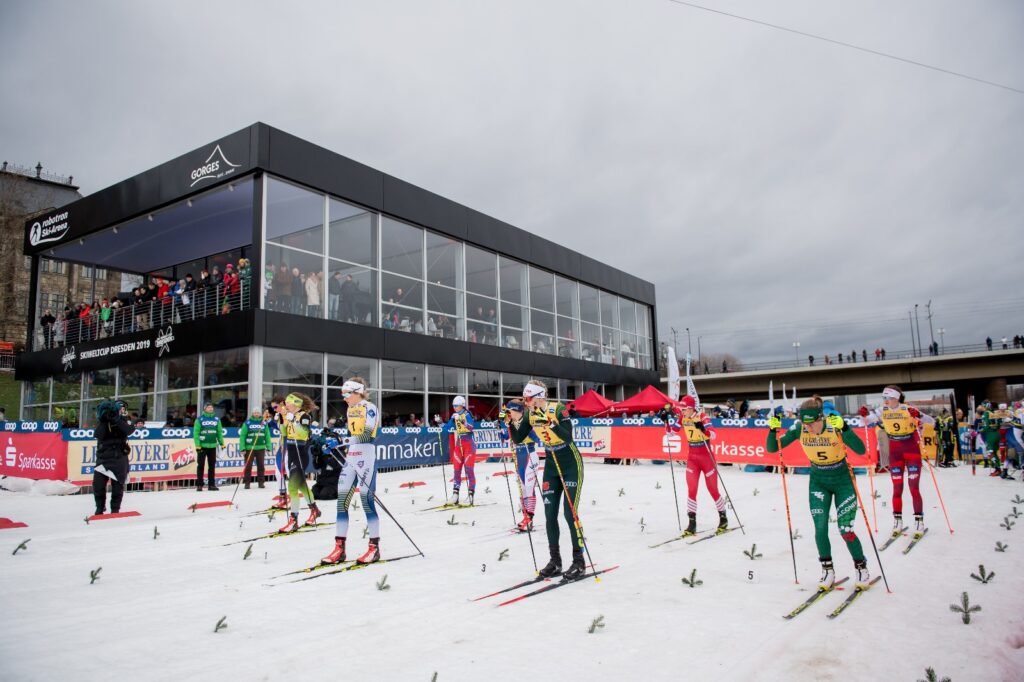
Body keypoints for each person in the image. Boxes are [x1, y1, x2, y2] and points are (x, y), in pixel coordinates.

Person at [767, 396, 871, 590]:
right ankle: (827, 570)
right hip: (818, 481)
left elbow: (860, 449)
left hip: (843, 481)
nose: (807, 428)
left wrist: (845, 428)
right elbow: (773, 448)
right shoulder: (799, 428)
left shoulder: (833, 425)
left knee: (845, 530)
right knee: (820, 528)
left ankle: (861, 567)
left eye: (811, 424)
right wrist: (772, 430)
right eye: (804, 424)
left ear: (820, 418)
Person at [509, 380, 587, 580]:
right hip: (551, 462)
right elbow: (518, 438)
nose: (526, 402)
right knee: (550, 514)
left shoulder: (558, 409)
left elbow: (568, 437)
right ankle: (555, 561)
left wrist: (551, 422)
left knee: (570, 514)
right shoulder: (529, 414)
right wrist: (509, 421)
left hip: (570, 462)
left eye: (528, 398)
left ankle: (579, 561)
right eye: (525, 399)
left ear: (540, 397)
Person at [859, 385, 935, 539]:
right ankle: (897, 521)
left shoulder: (907, 409)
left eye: (888, 398)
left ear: (897, 398)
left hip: (911, 449)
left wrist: (918, 416)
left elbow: (931, 422)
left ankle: (919, 521)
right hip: (895, 452)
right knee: (897, 489)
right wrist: (863, 415)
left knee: (914, 488)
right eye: (884, 398)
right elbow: (863, 422)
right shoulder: (882, 411)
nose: (885, 401)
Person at [322, 378, 382, 565]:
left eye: (347, 394)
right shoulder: (350, 410)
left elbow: (367, 435)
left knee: (366, 500)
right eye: (343, 395)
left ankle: (374, 548)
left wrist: (341, 442)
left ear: (357, 392)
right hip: (352, 457)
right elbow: (352, 435)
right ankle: (339, 549)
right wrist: (337, 443)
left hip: (366, 456)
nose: (345, 398)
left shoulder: (369, 407)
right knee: (341, 503)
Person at [665, 396, 727, 536]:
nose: (683, 411)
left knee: (713, 490)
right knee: (691, 489)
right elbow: (670, 434)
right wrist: (666, 421)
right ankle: (692, 523)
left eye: (685, 408)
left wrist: (703, 429)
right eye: (682, 408)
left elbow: (714, 435)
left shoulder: (702, 416)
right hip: (692, 458)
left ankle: (723, 518)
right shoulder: (682, 417)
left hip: (706, 458)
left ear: (692, 407)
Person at [277, 393, 322, 533]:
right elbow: (284, 433)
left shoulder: (304, 416)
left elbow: (303, 433)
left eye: (288, 403)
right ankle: (315, 510)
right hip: (291, 452)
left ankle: (293, 520)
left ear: (295, 404)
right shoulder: (291, 415)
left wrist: (293, 422)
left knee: (292, 487)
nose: (286, 405)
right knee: (302, 486)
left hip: (300, 453)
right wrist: (284, 419)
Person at [499, 399, 540, 532]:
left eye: (510, 411)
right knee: (522, 488)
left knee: (529, 487)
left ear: (516, 411)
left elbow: (537, 438)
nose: (509, 413)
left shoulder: (527, 421)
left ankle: (530, 517)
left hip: (529, 454)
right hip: (519, 456)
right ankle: (525, 516)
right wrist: (501, 429)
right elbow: (505, 436)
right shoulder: (512, 422)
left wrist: (530, 433)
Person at [92, 399, 134, 515]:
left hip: (119, 459)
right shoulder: (104, 421)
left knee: (117, 488)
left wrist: (117, 420)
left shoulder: (126, 421)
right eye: (118, 408)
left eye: (123, 408)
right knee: (98, 485)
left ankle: (115, 510)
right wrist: (106, 420)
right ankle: (100, 508)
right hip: (103, 459)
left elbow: (129, 430)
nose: (121, 410)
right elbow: (98, 434)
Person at [444, 396, 477, 505]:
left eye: (456, 406)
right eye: (453, 406)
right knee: (456, 470)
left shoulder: (467, 414)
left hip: (468, 444)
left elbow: (472, 427)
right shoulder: (454, 415)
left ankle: (471, 495)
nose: (454, 408)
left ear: (462, 405)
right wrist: (440, 422)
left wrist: (463, 421)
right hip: (459, 444)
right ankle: (455, 495)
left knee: (469, 470)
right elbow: (447, 427)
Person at [192, 403, 225, 491]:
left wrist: (222, 443)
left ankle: (211, 485)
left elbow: (219, 432)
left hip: (213, 446)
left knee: (212, 466)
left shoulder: (216, 419)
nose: (210, 409)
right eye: (209, 407)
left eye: (211, 407)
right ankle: (199, 485)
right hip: (202, 446)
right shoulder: (199, 419)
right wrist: (198, 445)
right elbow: (196, 433)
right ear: (205, 409)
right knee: (201, 465)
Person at [238, 407, 271, 489]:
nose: (256, 414)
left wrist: (268, 447)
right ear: (252, 414)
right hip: (250, 447)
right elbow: (242, 436)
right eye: (255, 413)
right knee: (248, 466)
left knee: (261, 466)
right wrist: (242, 448)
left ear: (260, 414)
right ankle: (247, 483)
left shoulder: (263, 423)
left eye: (258, 413)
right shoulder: (247, 423)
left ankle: (261, 482)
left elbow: (267, 436)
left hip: (261, 447)